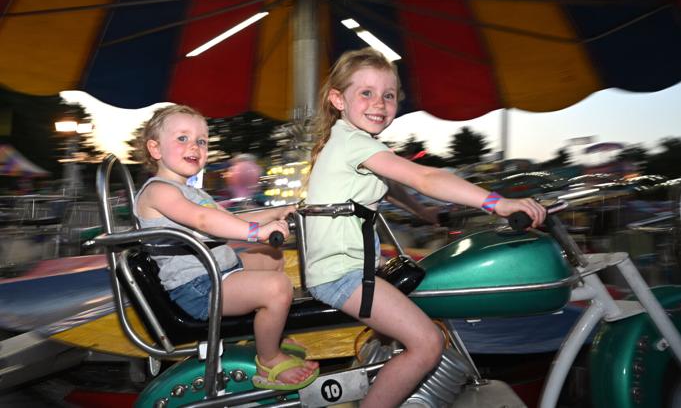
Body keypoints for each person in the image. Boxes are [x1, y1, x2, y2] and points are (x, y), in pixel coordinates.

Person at [305, 48, 546, 407]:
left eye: (388, 95)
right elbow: (423, 176)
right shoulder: (353, 142)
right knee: (428, 342)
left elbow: (394, 185)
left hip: (347, 268)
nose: (380, 103)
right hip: (341, 274)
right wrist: (499, 203)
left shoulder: (354, 142)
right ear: (338, 99)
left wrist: (426, 213)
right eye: (366, 93)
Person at [135, 104, 318, 391]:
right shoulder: (159, 191)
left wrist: (275, 212)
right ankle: (269, 358)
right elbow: (204, 220)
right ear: (155, 149)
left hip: (218, 271)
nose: (194, 146)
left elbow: (228, 221)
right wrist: (257, 233)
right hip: (198, 287)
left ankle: (267, 331)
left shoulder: (191, 191)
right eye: (182, 138)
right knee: (277, 287)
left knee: (271, 257)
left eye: (201, 141)